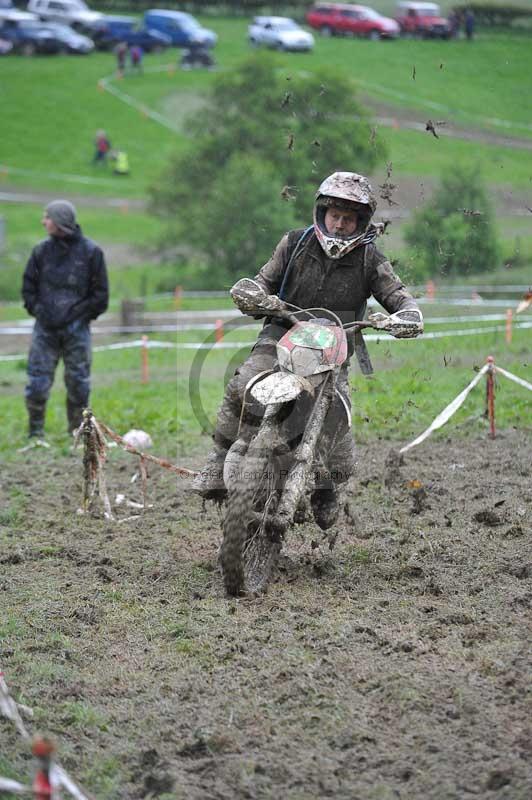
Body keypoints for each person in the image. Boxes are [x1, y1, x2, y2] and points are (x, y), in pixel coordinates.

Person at [192, 172, 423, 526]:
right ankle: (217, 456)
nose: (340, 224)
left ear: (361, 222)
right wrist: (253, 293)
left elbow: (398, 296)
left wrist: (404, 316)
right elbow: (263, 279)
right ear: (322, 213)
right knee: (243, 383)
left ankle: (326, 488)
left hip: (335, 346)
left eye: (348, 219)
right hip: (281, 332)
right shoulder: (295, 243)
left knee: (337, 419)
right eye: (335, 216)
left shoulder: (369, 259)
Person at [21, 200, 109, 440]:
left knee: (79, 384)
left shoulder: (92, 253)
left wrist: (78, 317)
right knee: (37, 383)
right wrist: (41, 311)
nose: (43, 221)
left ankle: (77, 433)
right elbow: (28, 289)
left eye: (47, 217)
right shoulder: (40, 252)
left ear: (59, 221)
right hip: (45, 330)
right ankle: (35, 434)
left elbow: (101, 296)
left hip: (77, 332)